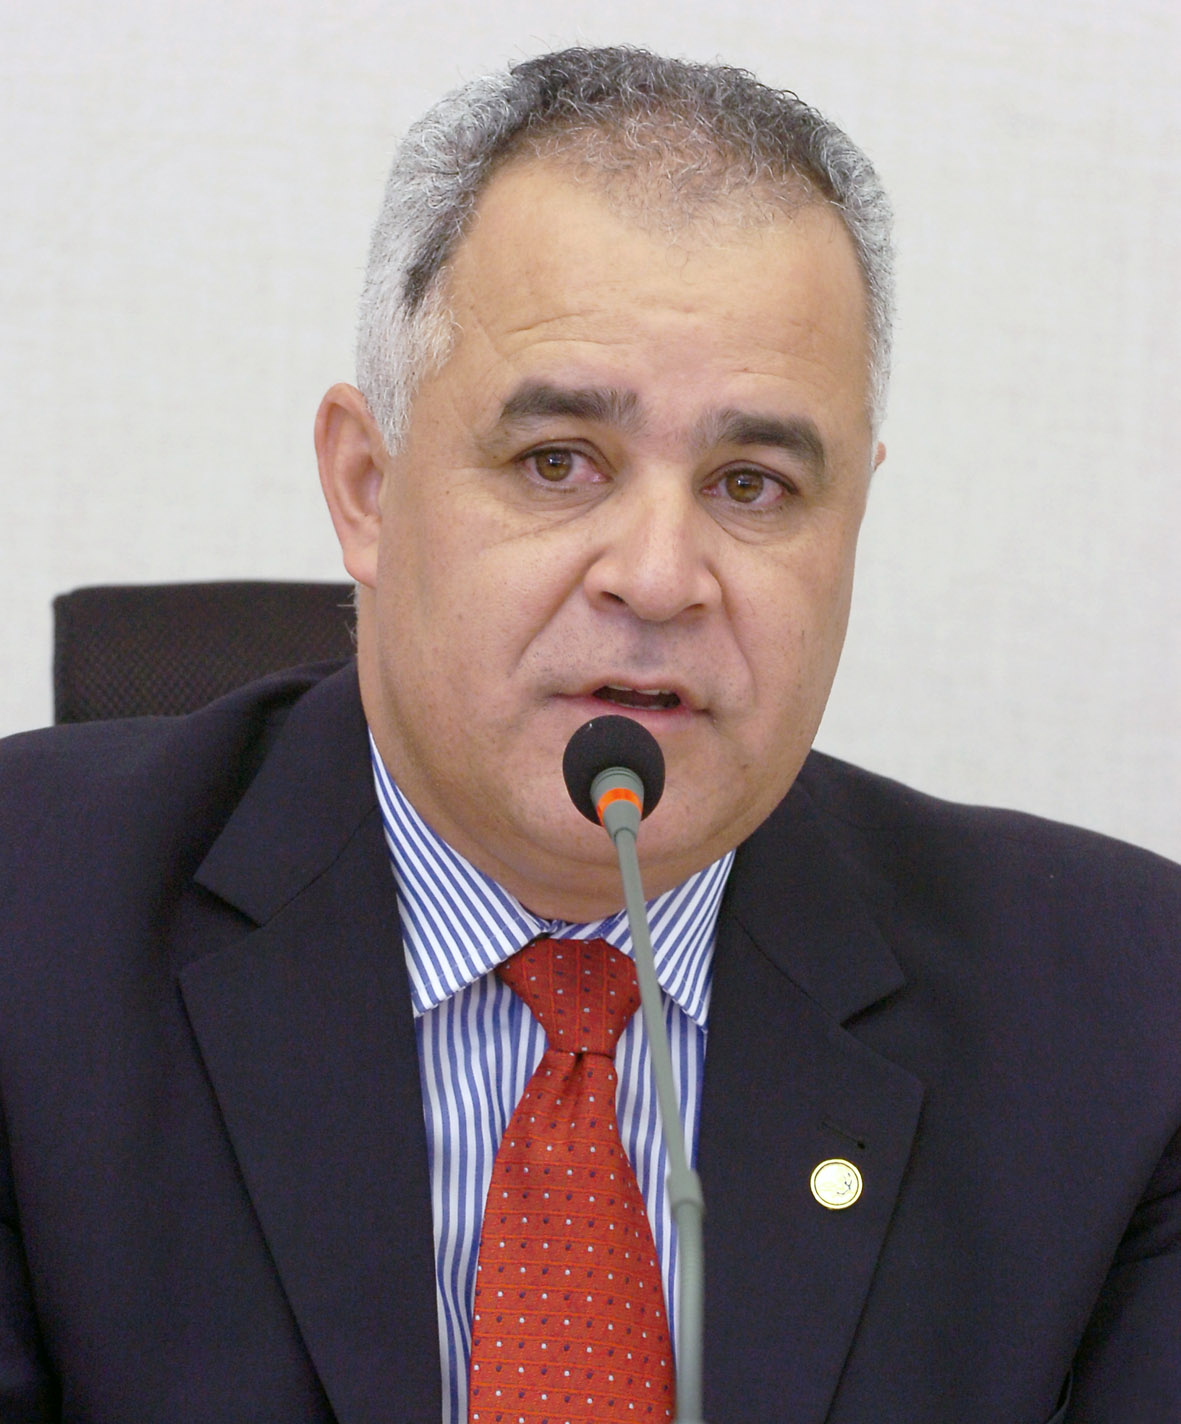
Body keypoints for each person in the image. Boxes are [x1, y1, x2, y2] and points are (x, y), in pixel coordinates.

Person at [0, 45, 1177, 1424]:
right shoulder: (29, 930)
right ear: (367, 487)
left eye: (752, 484)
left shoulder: (1126, 1021)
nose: (659, 577)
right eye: (557, 462)